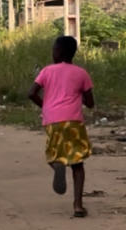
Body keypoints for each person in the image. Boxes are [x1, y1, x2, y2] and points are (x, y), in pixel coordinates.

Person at [28, 36, 95, 217]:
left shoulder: (47, 71)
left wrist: (46, 106)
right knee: (78, 163)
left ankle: (58, 165)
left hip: (53, 121)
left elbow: (31, 93)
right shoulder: (81, 73)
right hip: (73, 121)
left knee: (53, 155)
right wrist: (78, 96)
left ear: (57, 52)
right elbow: (90, 103)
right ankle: (78, 206)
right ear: (73, 53)